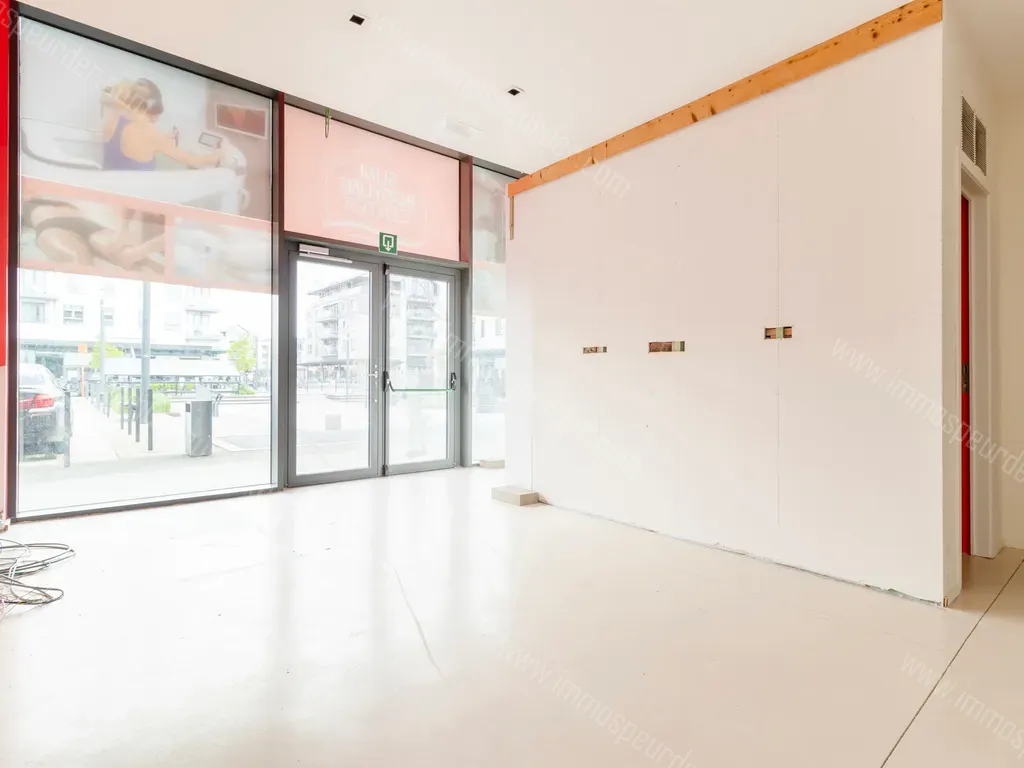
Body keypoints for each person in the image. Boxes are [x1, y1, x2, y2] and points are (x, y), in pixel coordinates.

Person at [102, 78, 223, 170]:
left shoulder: (114, 119)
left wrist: (162, 138)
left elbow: (135, 142)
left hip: (107, 189)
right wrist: (215, 157)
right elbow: (193, 160)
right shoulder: (151, 134)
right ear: (154, 107)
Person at [22, 197, 164, 275]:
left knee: (134, 258)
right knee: (79, 262)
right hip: (53, 225)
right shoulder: (26, 204)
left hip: (88, 225)